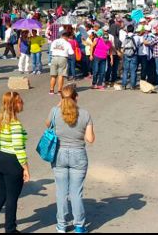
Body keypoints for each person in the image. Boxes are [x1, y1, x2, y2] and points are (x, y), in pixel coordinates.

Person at [46, 85, 95, 234]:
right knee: (76, 191)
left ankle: (61, 225)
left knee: (61, 191)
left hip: (59, 154)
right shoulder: (85, 114)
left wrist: (59, 104)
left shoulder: (55, 112)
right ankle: (79, 225)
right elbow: (90, 139)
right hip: (78, 154)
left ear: (61, 98)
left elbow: (47, 125)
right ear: (76, 97)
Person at [0, 91, 29, 233]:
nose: (22, 102)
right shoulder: (15, 124)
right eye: (20, 100)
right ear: (14, 104)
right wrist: (26, 167)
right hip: (12, 162)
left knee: (1, 191)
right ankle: (10, 228)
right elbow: (18, 148)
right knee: (12, 197)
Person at [49, 30, 75, 95]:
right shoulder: (67, 43)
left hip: (54, 57)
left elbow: (51, 50)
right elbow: (71, 53)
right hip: (63, 58)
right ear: (66, 37)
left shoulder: (54, 41)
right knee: (61, 75)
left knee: (53, 75)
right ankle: (59, 91)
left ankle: (51, 90)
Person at [121, 25, 141, 90]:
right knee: (133, 71)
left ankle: (124, 85)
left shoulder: (125, 36)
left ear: (127, 30)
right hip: (134, 55)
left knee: (125, 70)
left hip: (126, 54)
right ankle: (132, 86)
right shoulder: (137, 37)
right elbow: (139, 45)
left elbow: (122, 46)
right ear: (133, 30)